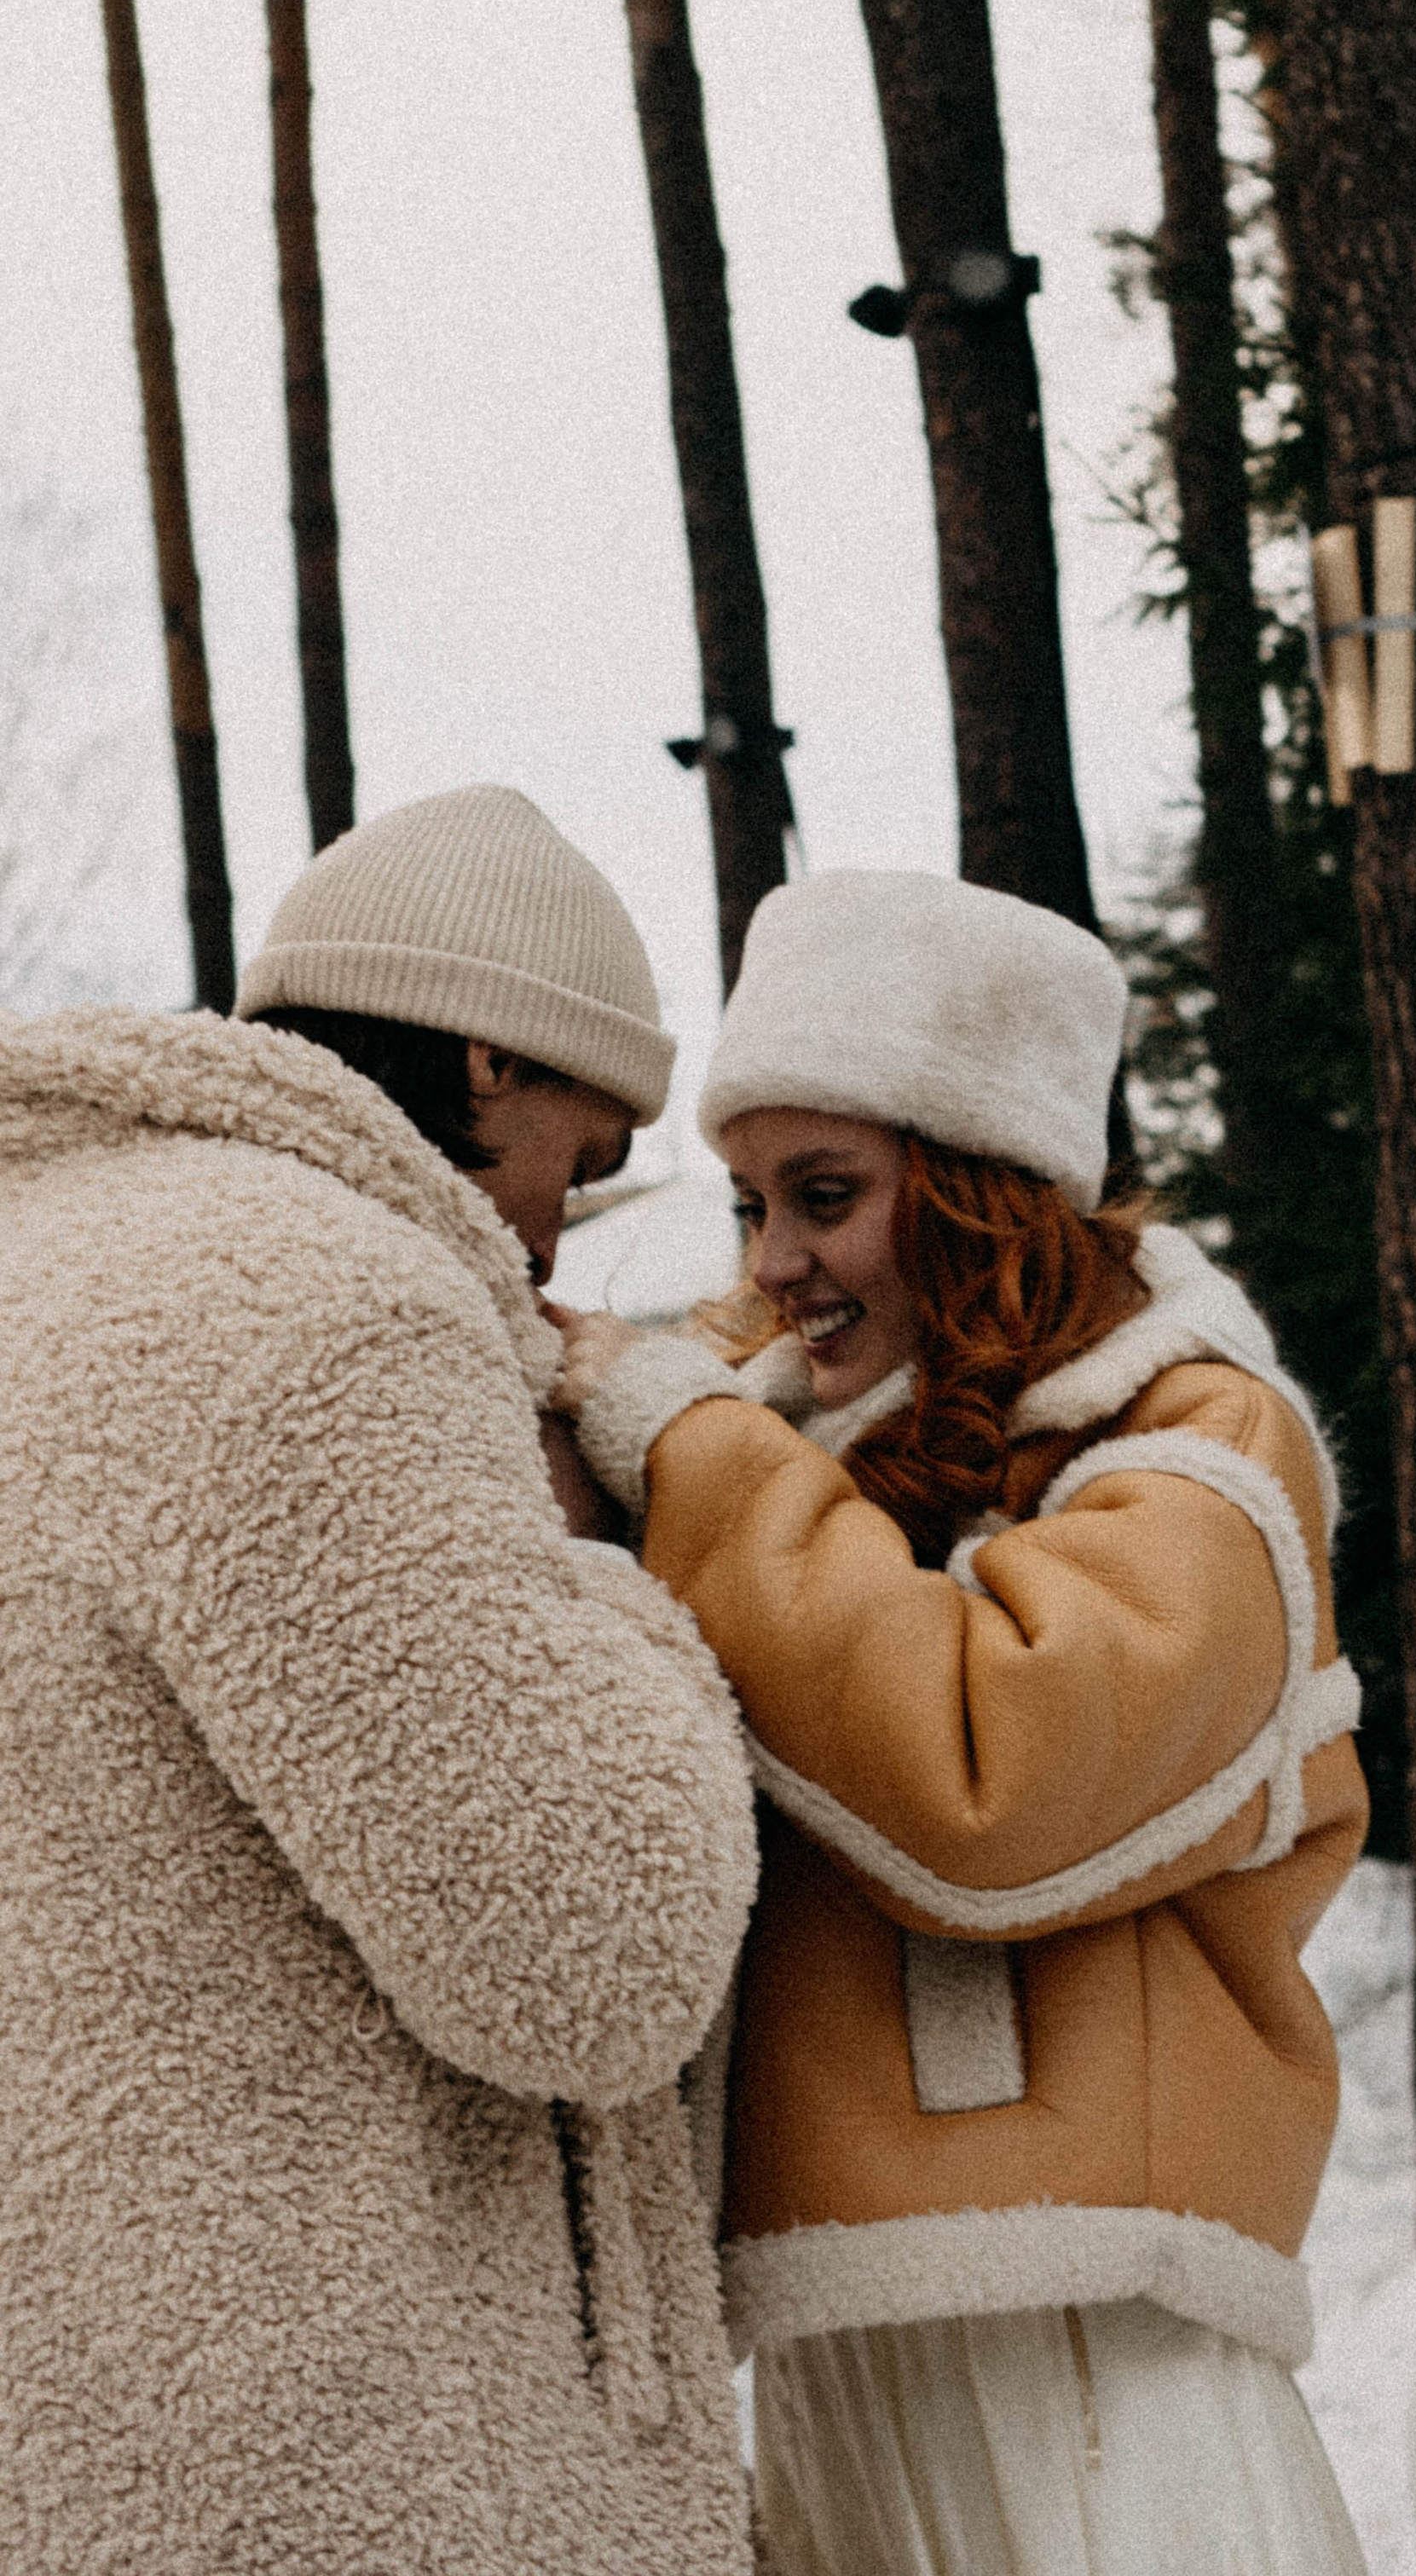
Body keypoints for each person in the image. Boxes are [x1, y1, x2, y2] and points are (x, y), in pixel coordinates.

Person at [555, 869, 1373, 2576]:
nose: (774, 1262)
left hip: (1084, 2326)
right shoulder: (793, 1455)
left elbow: (985, 1774)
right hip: (839, 2329)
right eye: (748, 1203)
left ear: (976, 1189)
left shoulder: (1203, 1457)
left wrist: (696, 1451)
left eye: (826, 1194)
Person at [0, 785, 759, 2576]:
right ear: (486, 1060)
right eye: (581, 1159)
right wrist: (621, 1600)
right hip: (355, 2460)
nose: (558, 1242)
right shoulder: (328, 1305)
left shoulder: (45, 1271)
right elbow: (585, 1946)